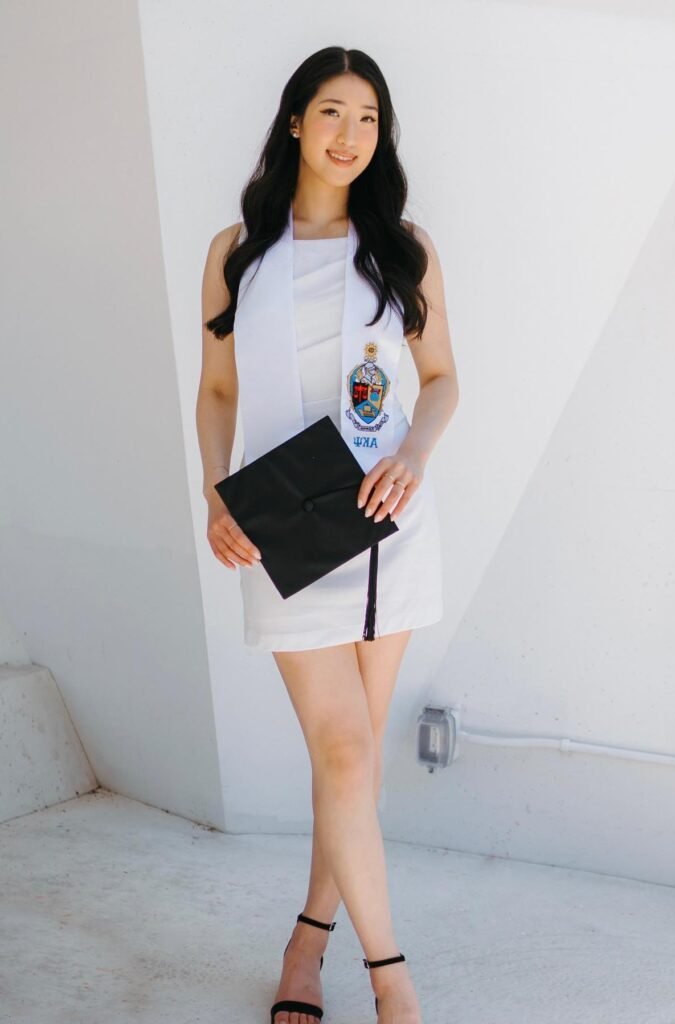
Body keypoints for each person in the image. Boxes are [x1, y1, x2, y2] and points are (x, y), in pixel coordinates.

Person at [197, 46, 459, 1024]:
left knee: (349, 758)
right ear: (295, 123)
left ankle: (305, 951)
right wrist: (216, 492)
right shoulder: (236, 251)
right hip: (275, 528)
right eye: (331, 113)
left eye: (368, 119)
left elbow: (440, 380)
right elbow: (216, 390)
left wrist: (414, 458)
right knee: (343, 753)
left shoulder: (402, 247)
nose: (350, 135)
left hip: (384, 519)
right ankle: (393, 985)